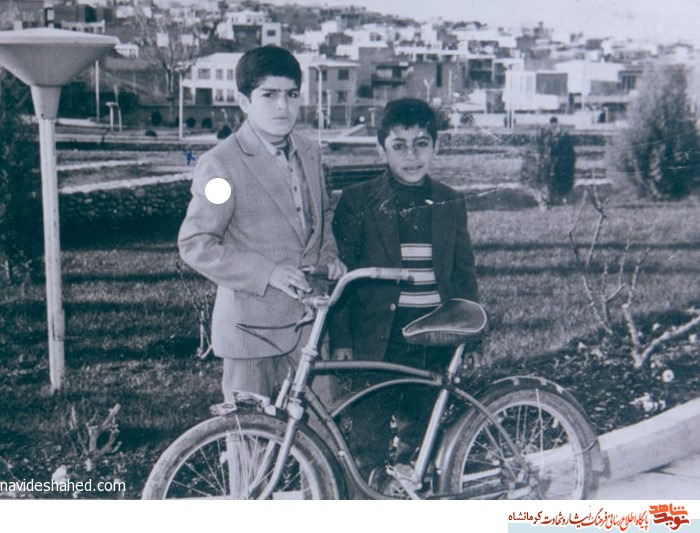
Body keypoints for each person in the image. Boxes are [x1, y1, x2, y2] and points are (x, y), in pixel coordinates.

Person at [178, 45, 345, 402]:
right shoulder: (221, 165)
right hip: (250, 333)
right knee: (252, 432)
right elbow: (197, 243)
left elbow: (323, 217)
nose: (283, 106)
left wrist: (329, 255)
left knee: (315, 430)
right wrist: (267, 272)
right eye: (269, 95)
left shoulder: (310, 153)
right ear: (244, 102)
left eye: (291, 94)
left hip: (308, 329)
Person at [329, 98, 479, 471]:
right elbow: (344, 278)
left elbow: (463, 274)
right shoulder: (358, 201)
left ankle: (414, 493)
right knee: (367, 443)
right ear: (381, 149)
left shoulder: (450, 201)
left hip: (433, 341)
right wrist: (342, 341)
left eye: (421, 144)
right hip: (377, 342)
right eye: (399, 145)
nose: (411, 156)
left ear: (436, 146)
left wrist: (472, 335)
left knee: (424, 442)